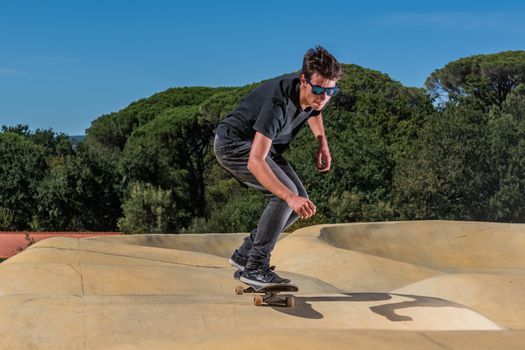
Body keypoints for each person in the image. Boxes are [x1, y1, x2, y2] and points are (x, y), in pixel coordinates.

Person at [214, 45, 342, 287]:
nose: (323, 97)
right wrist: (287, 196)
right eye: (318, 90)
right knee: (286, 197)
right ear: (303, 80)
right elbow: (255, 161)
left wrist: (321, 142)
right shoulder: (278, 104)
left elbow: (314, 110)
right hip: (233, 145)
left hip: (262, 147)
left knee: (299, 200)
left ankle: (245, 254)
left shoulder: (316, 95)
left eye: (330, 91)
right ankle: (255, 268)